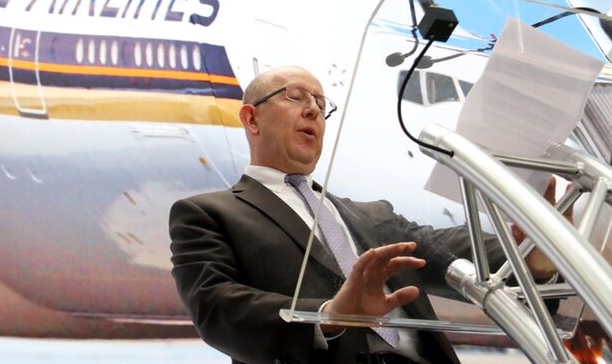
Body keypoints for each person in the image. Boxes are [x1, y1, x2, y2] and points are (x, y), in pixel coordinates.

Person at [168, 66, 558, 364]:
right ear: (251, 119)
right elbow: (217, 307)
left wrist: (529, 252)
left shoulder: (371, 215)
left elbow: (446, 249)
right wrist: (330, 315)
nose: (313, 111)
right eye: (296, 96)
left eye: (322, 105)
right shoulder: (207, 214)